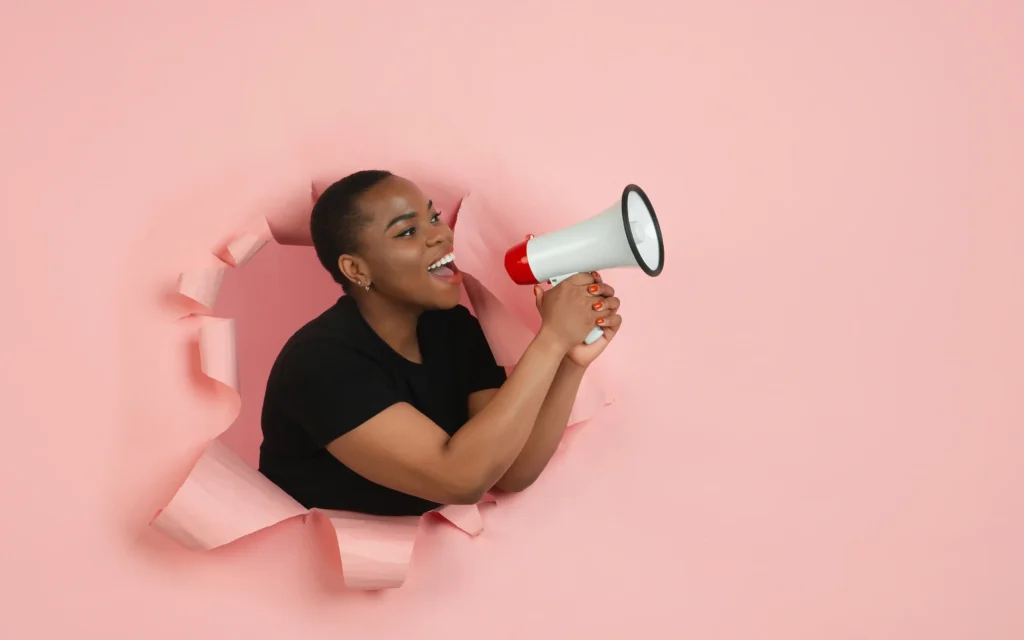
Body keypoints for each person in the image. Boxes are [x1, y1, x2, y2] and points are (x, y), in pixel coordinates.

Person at [258, 170, 622, 517]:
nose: (439, 235)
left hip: (424, 571)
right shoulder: (320, 364)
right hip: (304, 570)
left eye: (434, 218)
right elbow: (460, 479)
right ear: (357, 270)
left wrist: (571, 360)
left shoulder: (452, 330)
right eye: (407, 232)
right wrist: (552, 337)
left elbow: (511, 471)